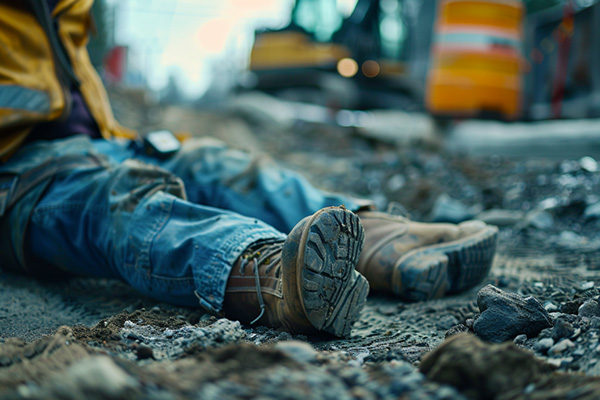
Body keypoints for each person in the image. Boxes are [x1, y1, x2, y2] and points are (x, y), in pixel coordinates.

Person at [0, 0, 498, 337]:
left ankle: (378, 242)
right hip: (17, 169)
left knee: (216, 164)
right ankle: (273, 277)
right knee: (121, 203)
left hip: (101, 139)